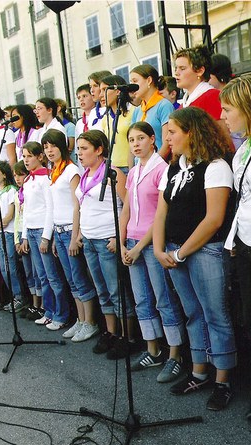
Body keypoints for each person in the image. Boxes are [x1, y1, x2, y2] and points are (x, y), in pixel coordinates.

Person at [153, 107, 236, 411]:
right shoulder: (175, 166)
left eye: (172, 133)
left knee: (216, 314)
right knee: (193, 313)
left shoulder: (215, 166)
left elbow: (213, 219)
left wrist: (179, 252)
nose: (168, 139)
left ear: (192, 132)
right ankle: (199, 371)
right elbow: (162, 210)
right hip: (175, 251)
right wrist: (160, 249)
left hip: (204, 251)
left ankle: (223, 380)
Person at [120, 122, 186, 382]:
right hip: (133, 243)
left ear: (152, 139)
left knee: (163, 299)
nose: (135, 144)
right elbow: (126, 209)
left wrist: (138, 247)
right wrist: (123, 241)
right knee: (142, 299)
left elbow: (161, 214)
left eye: (140, 138)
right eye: (131, 140)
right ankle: (152, 350)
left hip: (150, 243)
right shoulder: (134, 171)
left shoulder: (162, 169)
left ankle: (175, 356)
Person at [75, 130, 135, 359]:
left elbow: (128, 205)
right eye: (78, 149)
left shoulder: (113, 174)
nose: (79, 153)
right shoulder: (85, 174)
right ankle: (111, 333)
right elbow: (83, 206)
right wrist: (80, 232)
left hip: (107, 239)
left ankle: (127, 337)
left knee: (116, 291)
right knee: (102, 290)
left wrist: (118, 237)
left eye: (84, 149)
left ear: (99, 149)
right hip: (90, 239)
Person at [43, 129, 99, 340]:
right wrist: (53, 237)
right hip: (59, 231)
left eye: (53, 146)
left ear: (63, 147)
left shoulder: (71, 170)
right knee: (71, 279)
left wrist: (76, 236)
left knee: (79, 277)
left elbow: (78, 205)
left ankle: (90, 322)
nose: (49, 150)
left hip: (70, 230)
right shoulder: (54, 172)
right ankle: (81, 319)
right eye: (46, 147)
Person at [220, 74, 251, 417]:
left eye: (228, 109)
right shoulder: (242, 150)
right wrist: (232, 242)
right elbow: (244, 202)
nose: (224, 116)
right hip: (243, 246)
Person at [21, 141, 70, 329]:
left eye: (30, 156)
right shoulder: (28, 180)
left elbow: (51, 208)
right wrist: (25, 235)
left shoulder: (45, 179)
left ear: (40, 157)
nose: (26, 160)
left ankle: (61, 314)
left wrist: (46, 237)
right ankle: (48, 311)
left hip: (43, 230)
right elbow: (26, 211)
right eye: (24, 156)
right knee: (42, 276)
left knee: (53, 276)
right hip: (32, 230)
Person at [0, 161, 24, 312]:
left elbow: (9, 215)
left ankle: (20, 297)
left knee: (11, 265)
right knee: (3, 267)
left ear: (4, 174)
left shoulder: (11, 191)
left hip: (8, 232)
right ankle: (12, 296)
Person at [13, 160, 42, 319]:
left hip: (32, 233)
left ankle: (40, 305)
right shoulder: (18, 194)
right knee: (29, 272)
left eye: (21, 175)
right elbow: (19, 217)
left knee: (39, 272)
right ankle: (33, 303)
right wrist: (17, 239)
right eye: (15, 175)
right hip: (22, 234)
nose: (18, 178)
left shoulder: (32, 189)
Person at [130, 64, 175, 158]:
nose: (132, 86)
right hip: (140, 165)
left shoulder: (164, 105)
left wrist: (153, 166)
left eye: (135, 81)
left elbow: (167, 144)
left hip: (158, 163)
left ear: (149, 80)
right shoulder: (137, 110)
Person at [100, 75, 136, 173]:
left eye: (105, 90)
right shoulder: (105, 117)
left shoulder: (133, 111)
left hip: (130, 167)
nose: (101, 95)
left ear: (117, 91)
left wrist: (131, 169)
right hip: (112, 167)